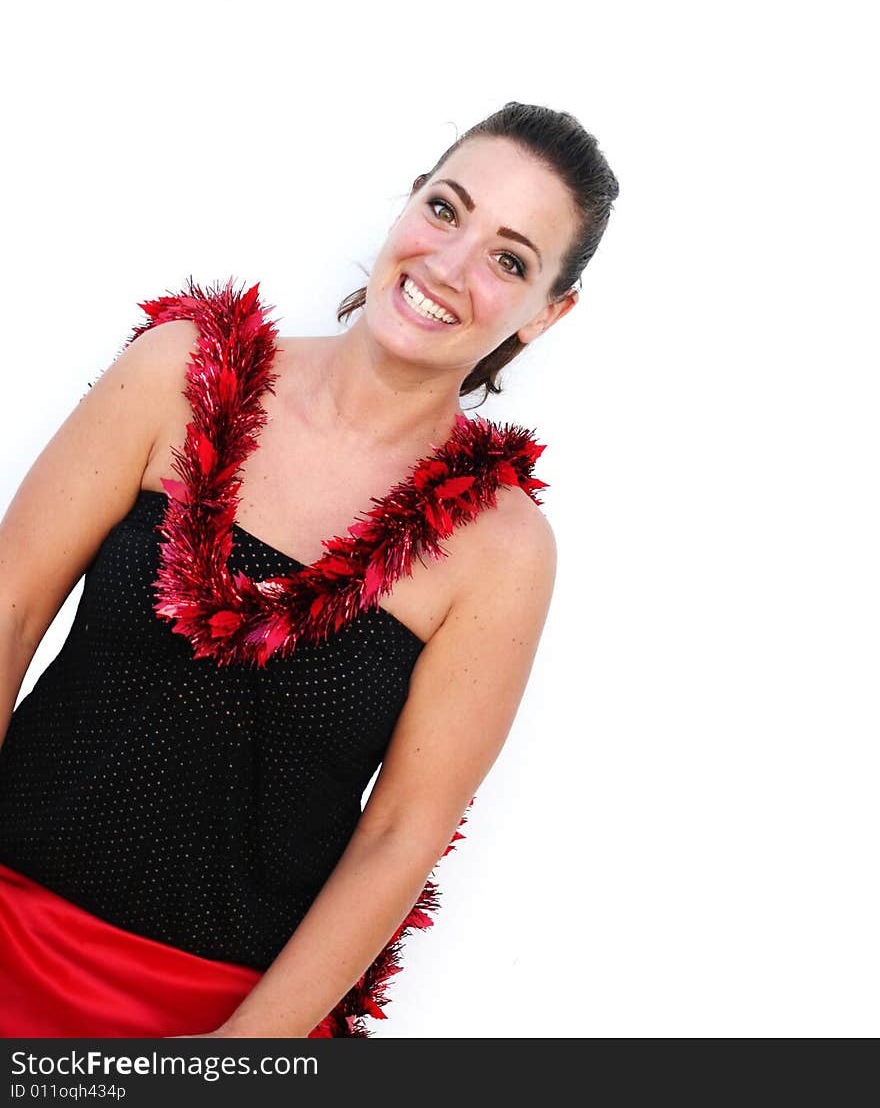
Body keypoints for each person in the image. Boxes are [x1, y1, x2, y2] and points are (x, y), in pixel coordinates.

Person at [0, 101, 619, 1038]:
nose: (450, 267)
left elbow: (401, 832)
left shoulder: (500, 553)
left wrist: (242, 1058)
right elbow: (10, 612)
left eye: (510, 259)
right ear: (409, 205)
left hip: (223, 1009)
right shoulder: (180, 372)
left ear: (548, 313)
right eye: (448, 211)